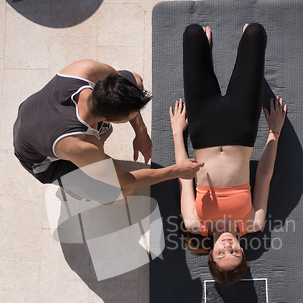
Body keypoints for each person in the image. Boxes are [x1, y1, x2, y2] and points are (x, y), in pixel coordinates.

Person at [170, 23, 287, 285]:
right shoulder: (253, 223)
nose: (227, 246)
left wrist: (178, 132)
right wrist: (274, 133)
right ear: (243, 252)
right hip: (241, 127)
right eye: (234, 252)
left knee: (192, 33)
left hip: (202, 128)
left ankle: (204, 48)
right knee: (255, 32)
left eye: (221, 253)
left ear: (211, 256)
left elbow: (184, 177)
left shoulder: (193, 223)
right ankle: (226, 50)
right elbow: (265, 175)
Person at [13, 60, 204, 204]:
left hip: (36, 117)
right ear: (108, 120)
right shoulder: (81, 145)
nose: (137, 115)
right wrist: (174, 171)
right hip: (40, 160)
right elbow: (125, 180)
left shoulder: (84, 70)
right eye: (133, 115)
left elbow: (127, 82)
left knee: (135, 80)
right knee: (123, 194)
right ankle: (74, 186)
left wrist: (141, 131)